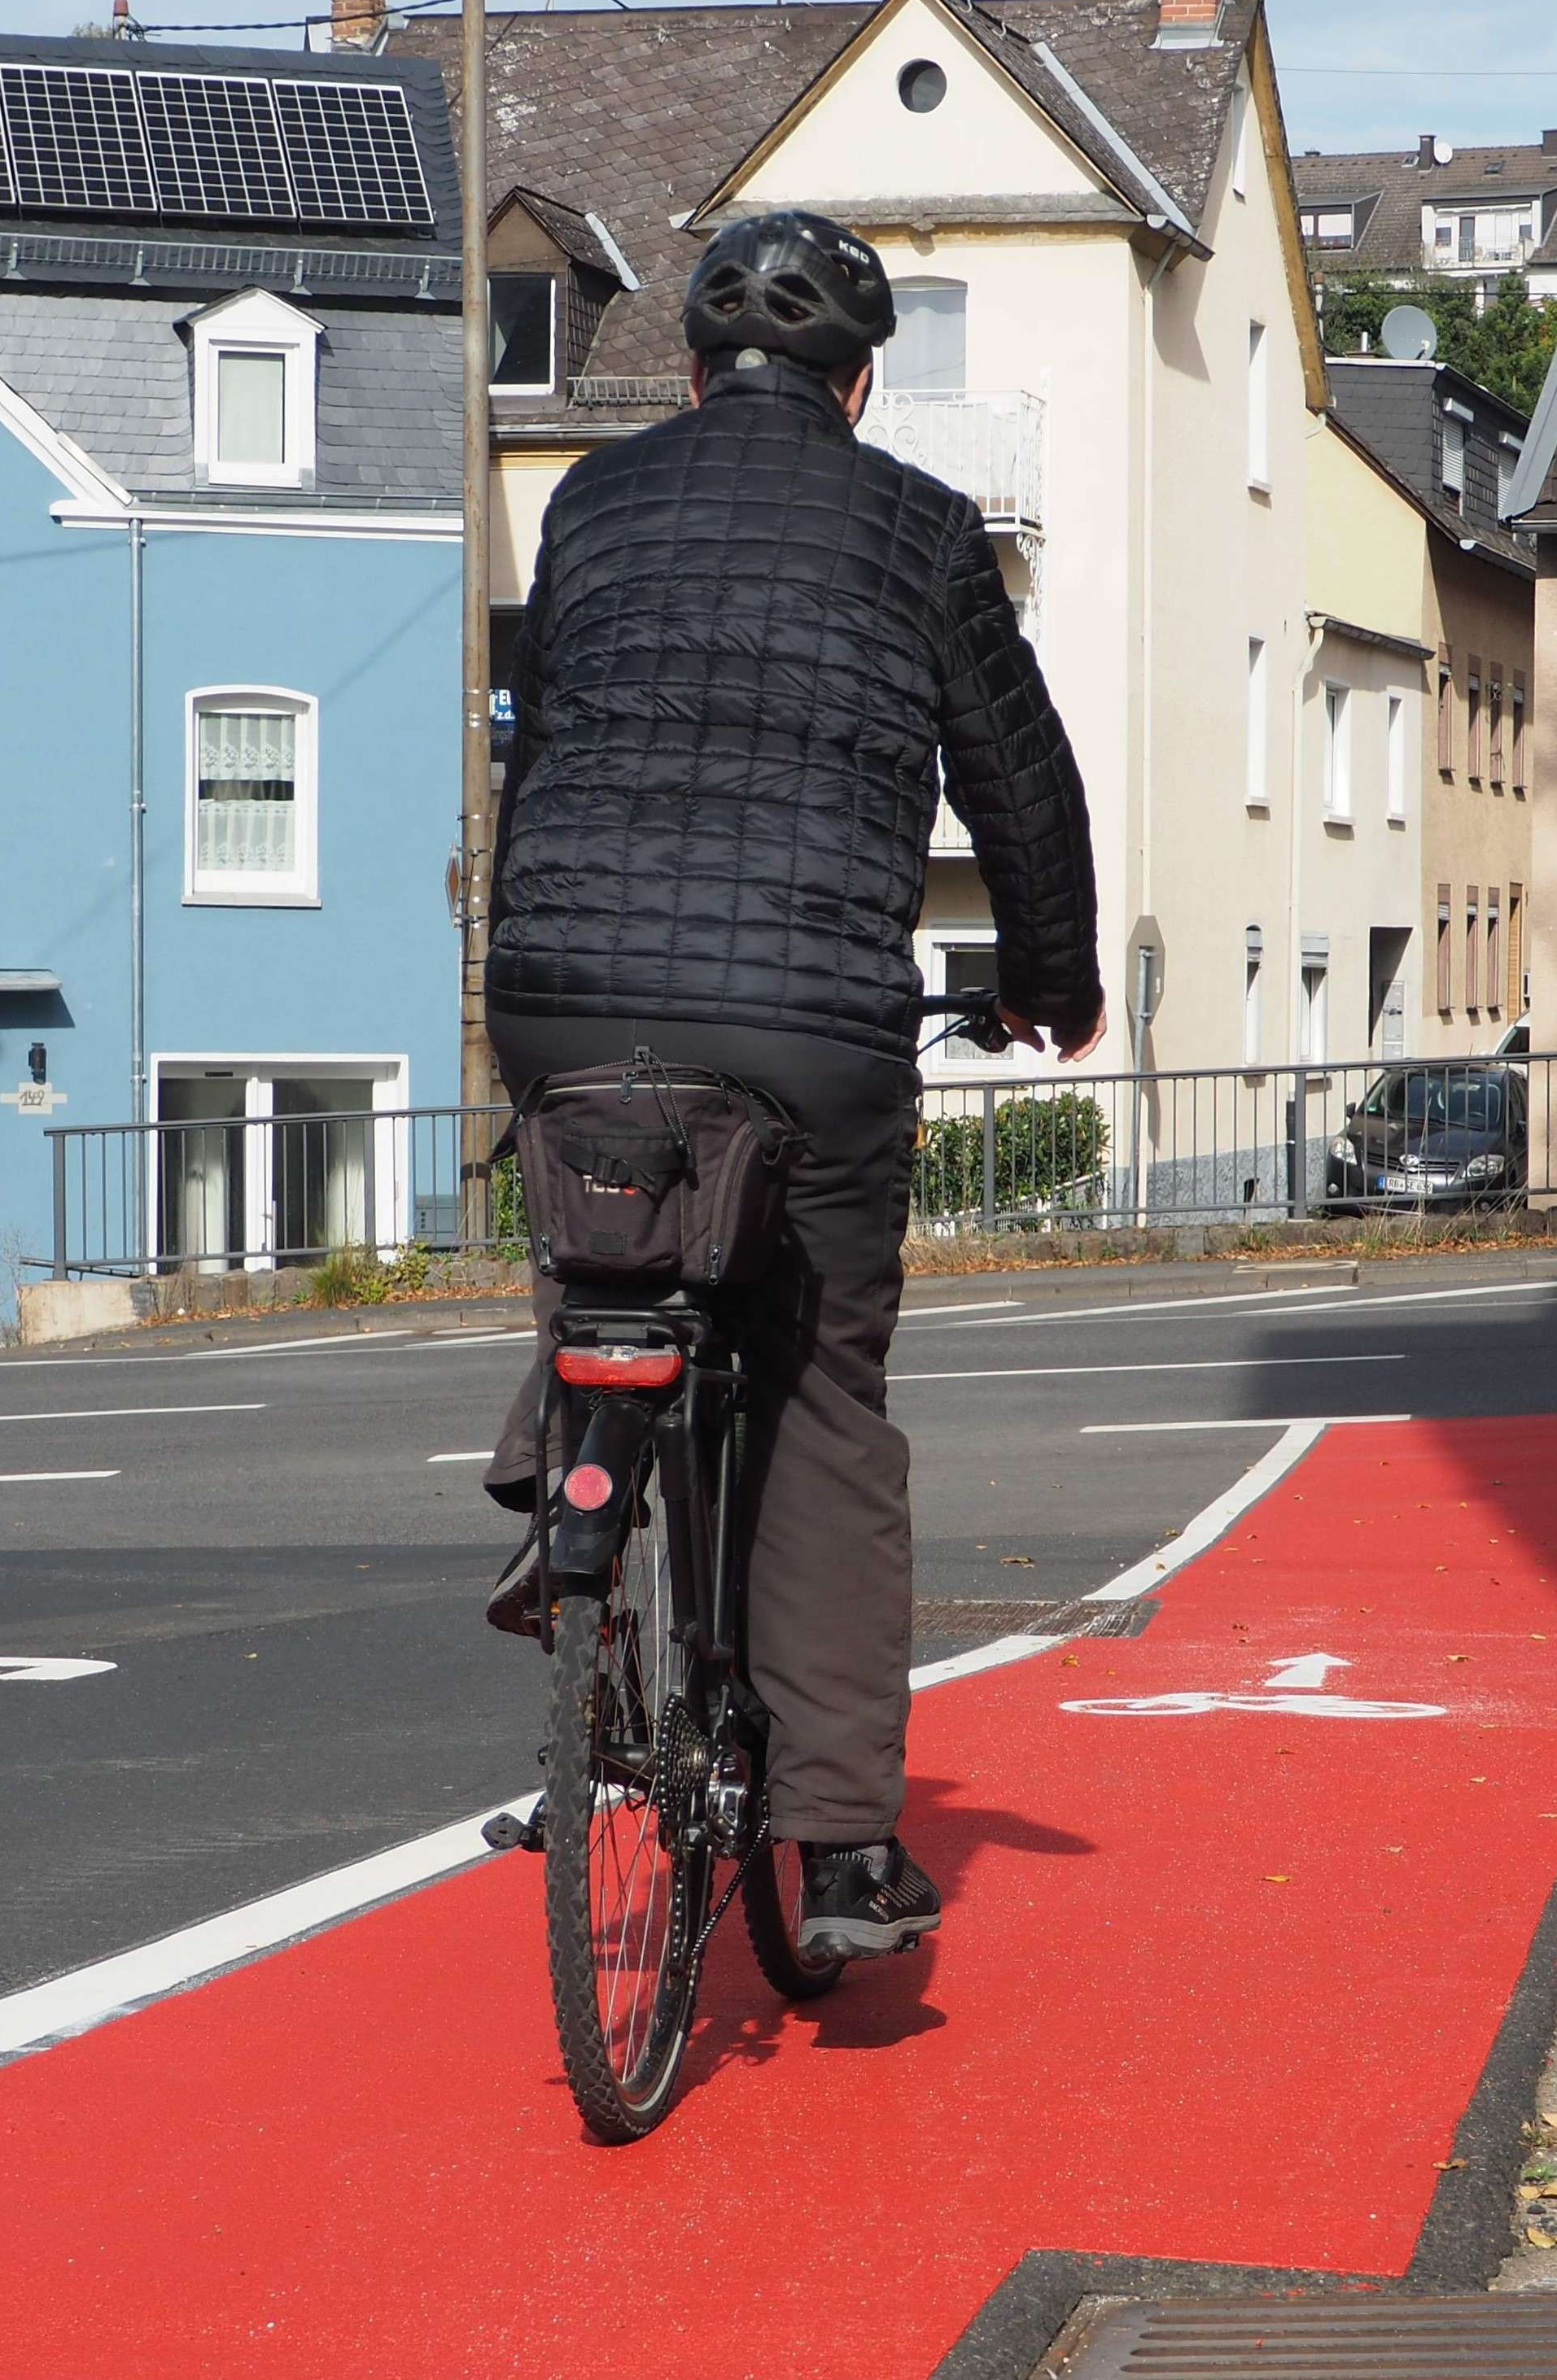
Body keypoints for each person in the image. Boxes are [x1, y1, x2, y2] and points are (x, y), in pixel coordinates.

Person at [482, 208, 1102, 1961]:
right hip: (809, 1028)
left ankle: (578, 1568)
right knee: (821, 1390)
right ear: (861, 382)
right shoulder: (916, 527)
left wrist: (525, 991)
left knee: (605, 1249)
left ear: (689, 368)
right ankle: (836, 1848)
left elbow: (540, 759)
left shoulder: (589, 505)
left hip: (566, 996)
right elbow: (1019, 785)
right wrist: (1044, 985)